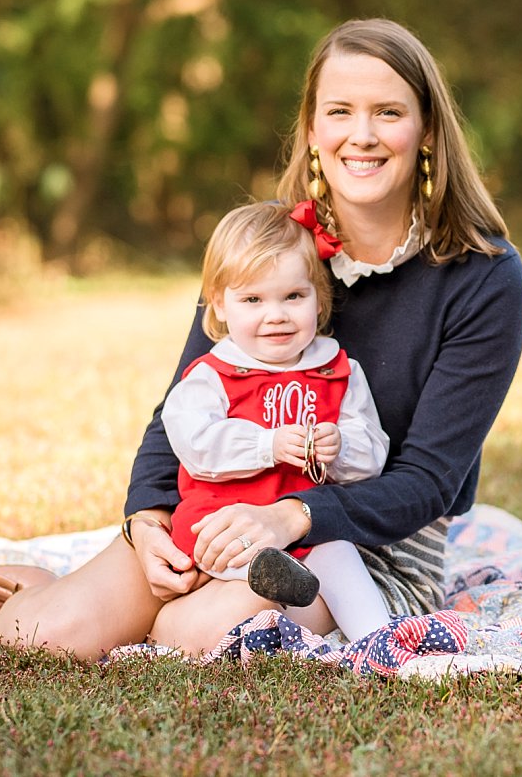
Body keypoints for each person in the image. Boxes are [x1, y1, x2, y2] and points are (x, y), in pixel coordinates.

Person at [0, 18, 522, 660]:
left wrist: (289, 516)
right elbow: (184, 404)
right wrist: (147, 519)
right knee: (55, 635)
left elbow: (429, 481)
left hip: (358, 548)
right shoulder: (265, 250)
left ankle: (74, 595)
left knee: (188, 634)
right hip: (214, 511)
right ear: (311, 131)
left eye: (388, 112)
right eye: (339, 112)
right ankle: (29, 606)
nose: (361, 135)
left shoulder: (483, 278)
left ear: (427, 131)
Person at [160, 199, 393, 640]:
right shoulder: (212, 374)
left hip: (306, 521)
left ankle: (379, 640)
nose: (276, 315)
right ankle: (267, 575)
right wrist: (266, 446)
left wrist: (341, 446)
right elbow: (194, 442)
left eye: (293, 296)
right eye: (252, 299)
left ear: (318, 299)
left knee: (339, 552)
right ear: (220, 305)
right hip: (221, 520)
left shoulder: (337, 370)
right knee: (231, 547)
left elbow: (373, 452)